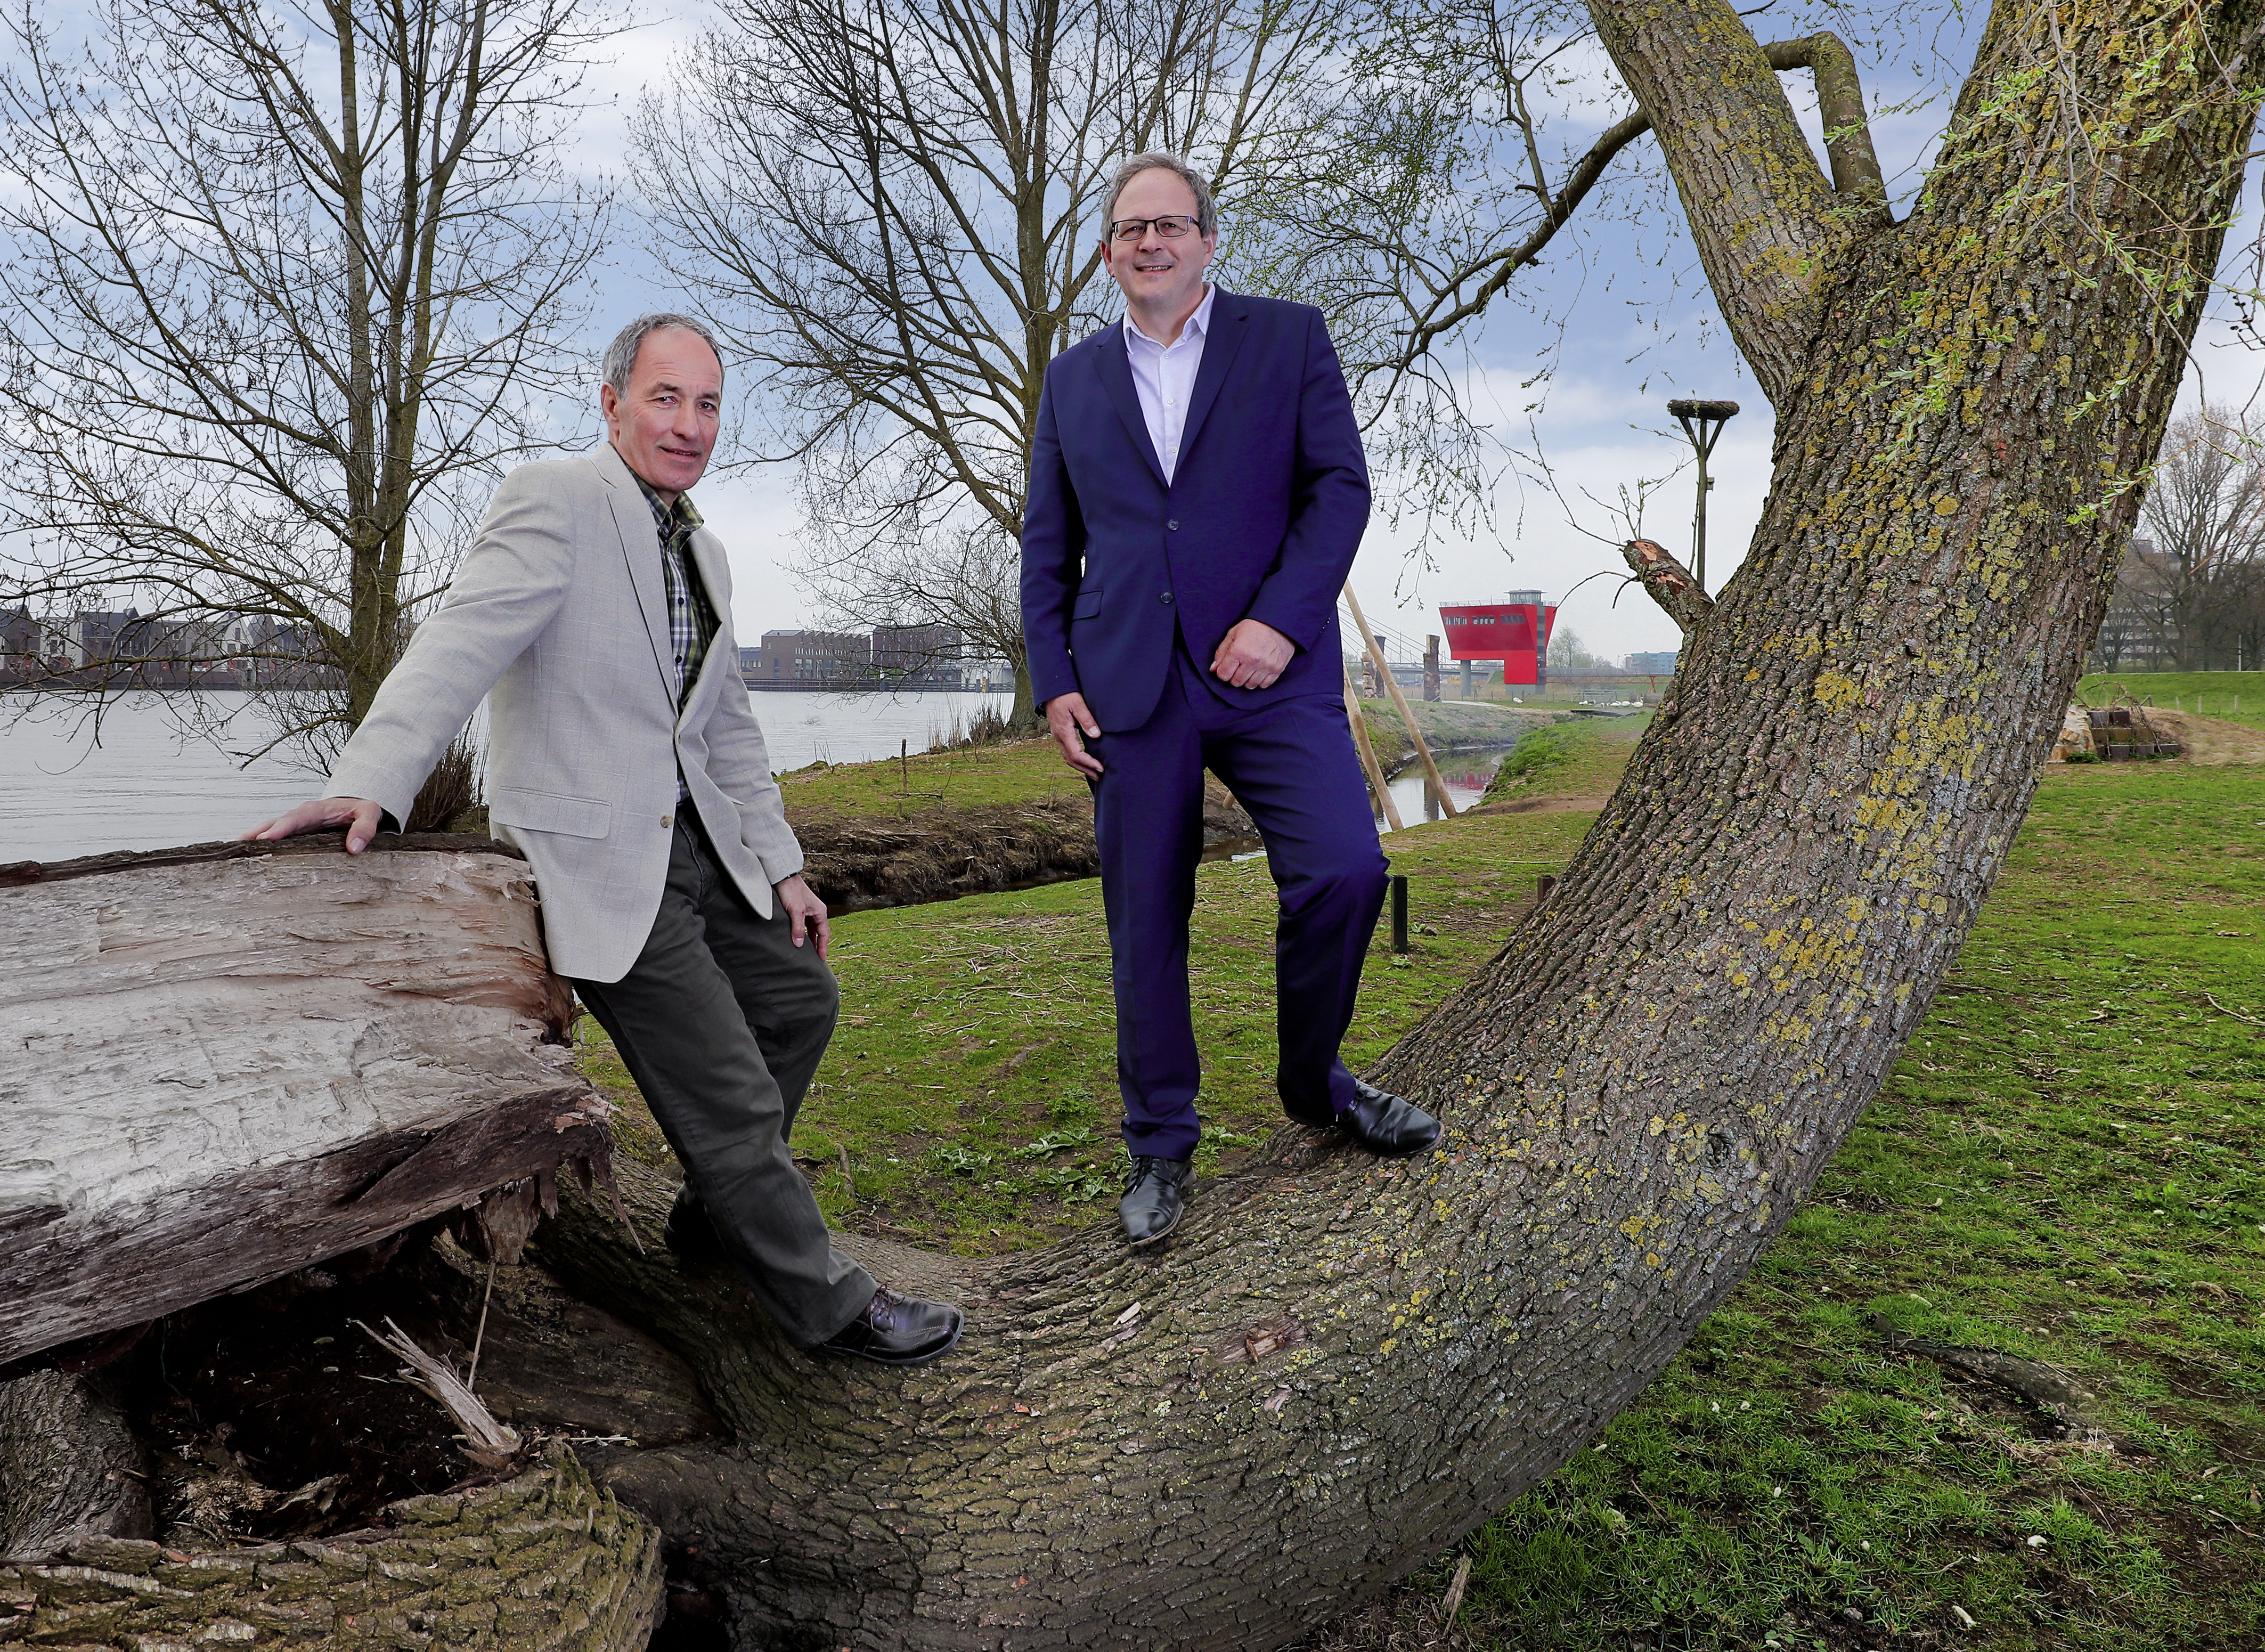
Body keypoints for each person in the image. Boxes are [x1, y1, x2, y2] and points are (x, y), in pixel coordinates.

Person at [246, 314, 962, 1365]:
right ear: (612, 401)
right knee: (724, 1091)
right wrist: (372, 783)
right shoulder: (558, 502)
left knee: (802, 1001)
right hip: (594, 860)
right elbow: (461, 641)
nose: (688, 424)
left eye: (707, 404)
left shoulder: (705, 552)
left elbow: (723, 724)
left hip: (703, 850)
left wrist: (784, 865)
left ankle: (717, 1217)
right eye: (666, 398)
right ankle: (827, 1307)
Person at [1021, 153, 1441, 1247]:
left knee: (1348, 870)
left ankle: (1319, 1084)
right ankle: (1160, 1142)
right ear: (1109, 255)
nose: (1148, 243)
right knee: (1144, 929)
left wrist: (1279, 619)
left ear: (1210, 240)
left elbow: (1340, 487)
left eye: (1169, 225)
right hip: (1130, 689)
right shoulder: (1073, 380)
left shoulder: (1288, 338)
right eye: (1127, 231)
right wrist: (1055, 680)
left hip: (1268, 676)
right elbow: (1048, 545)